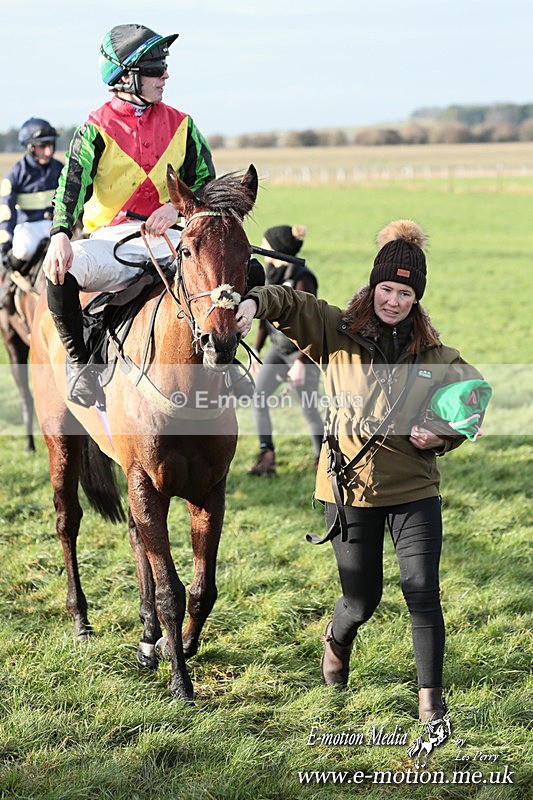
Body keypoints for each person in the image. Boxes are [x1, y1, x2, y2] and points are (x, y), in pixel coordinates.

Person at [236, 219, 491, 722]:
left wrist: (444, 435)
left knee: (423, 592)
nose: (393, 300)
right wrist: (252, 303)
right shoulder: (337, 333)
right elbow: (290, 305)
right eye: (386, 289)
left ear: (417, 299)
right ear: (373, 287)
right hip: (349, 489)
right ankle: (337, 635)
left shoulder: (436, 356)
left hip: (415, 489)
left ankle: (431, 705)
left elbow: (475, 397)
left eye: (404, 293)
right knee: (361, 599)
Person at [43, 23, 216, 408]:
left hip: (172, 240)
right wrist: (59, 234)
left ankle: (226, 364)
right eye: (155, 68)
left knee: (242, 270)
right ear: (126, 76)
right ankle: (81, 363)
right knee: (59, 271)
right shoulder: (94, 127)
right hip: (110, 243)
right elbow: (70, 186)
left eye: (164, 65)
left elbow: (208, 184)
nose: (165, 74)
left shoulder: (183, 123)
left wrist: (175, 207)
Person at [247, 224, 324, 476]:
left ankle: (323, 460)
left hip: (301, 352)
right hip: (278, 350)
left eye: (266, 244)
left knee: (307, 406)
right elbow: (263, 315)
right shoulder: (270, 272)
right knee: (259, 398)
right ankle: (266, 457)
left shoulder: (303, 279)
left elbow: (312, 324)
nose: (262, 247)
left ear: (278, 249)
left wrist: (302, 361)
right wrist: (256, 351)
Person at [0, 118, 63, 296]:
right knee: (24, 249)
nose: (49, 151)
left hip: (55, 226)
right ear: (30, 148)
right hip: (28, 227)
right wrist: (5, 244)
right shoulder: (15, 175)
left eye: (51, 145)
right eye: (43, 146)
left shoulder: (60, 169)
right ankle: (7, 289)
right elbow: (6, 212)